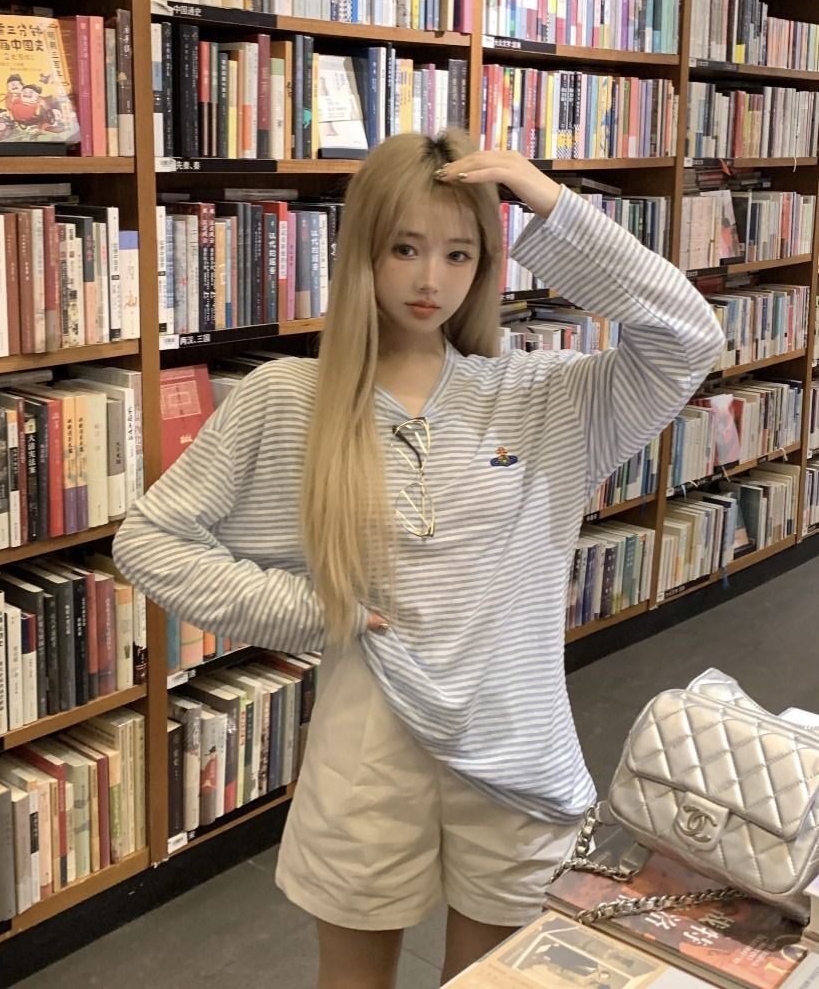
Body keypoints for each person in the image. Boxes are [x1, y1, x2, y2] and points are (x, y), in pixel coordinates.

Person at [113, 131, 724, 989]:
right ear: (362, 250)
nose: (429, 278)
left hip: (515, 744)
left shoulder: (542, 395)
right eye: (404, 248)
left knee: (491, 983)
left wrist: (551, 204)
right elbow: (149, 540)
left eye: (458, 253)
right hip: (369, 743)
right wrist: (312, 610)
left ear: (486, 264)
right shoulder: (289, 399)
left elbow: (689, 338)